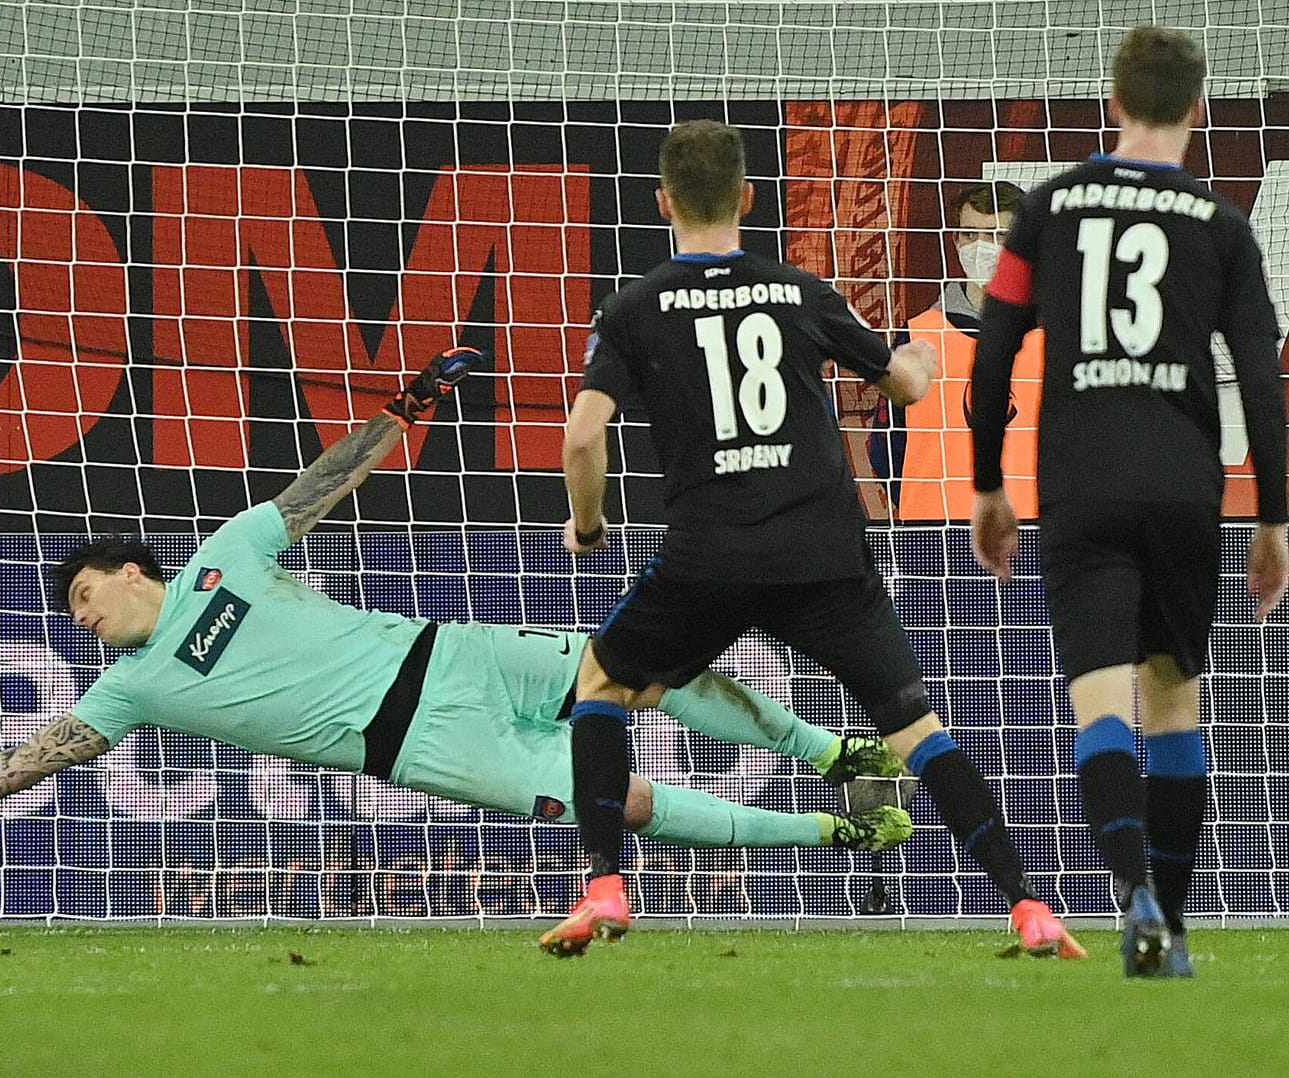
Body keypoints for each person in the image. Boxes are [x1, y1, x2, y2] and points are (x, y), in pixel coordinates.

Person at [0, 346, 912, 880]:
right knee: (615, 801)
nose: (80, 619)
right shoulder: (129, 687)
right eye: (72, 615)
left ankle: (832, 752)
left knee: (642, 669)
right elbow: (39, 753)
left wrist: (403, 410)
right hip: (427, 744)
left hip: (456, 657)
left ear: (123, 569)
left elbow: (318, 487)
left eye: (81, 596)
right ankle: (837, 823)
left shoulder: (221, 558)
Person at [551, 118, 1084, 960]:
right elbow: (903, 386)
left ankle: (605, 887)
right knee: (916, 731)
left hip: (706, 560)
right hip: (823, 557)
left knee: (601, 688)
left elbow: (582, 437)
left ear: (661, 204)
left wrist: (588, 525)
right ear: (748, 198)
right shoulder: (797, 290)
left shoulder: (632, 308)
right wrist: (921, 356)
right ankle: (1027, 905)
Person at [969, 26, 1289, 978]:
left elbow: (992, 351)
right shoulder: (1220, 225)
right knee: (1175, 703)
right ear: (1198, 109)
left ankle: (1131, 898)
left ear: (1111, 103)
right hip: (1184, 483)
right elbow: (1263, 383)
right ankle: (1174, 928)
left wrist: (987, 481)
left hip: (1081, 480)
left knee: (1100, 705)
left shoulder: (1049, 207)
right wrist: (1273, 517)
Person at [869, 180, 1047, 519]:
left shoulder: (1054, 337)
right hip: (934, 533)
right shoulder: (917, 335)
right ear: (955, 240)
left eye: (997, 235)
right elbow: (884, 448)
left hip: (1032, 529)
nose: (981, 247)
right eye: (970, 234)